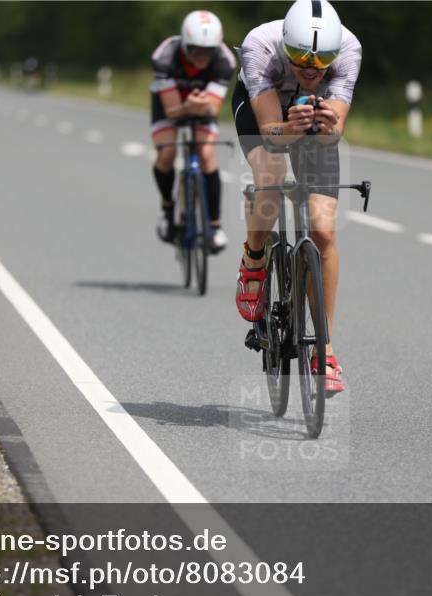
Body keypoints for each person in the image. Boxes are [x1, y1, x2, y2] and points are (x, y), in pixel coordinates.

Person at [233, 0, 362, 395]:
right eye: (301, 57)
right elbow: (271, 131)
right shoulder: (260, 45)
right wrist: (289, 126)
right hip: (265, 112)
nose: (310, 67)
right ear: (286, 44)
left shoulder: (349, 49)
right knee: (270, 180)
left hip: (310, 117)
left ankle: (323, 350)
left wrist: (325, 128)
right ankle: (255, 259)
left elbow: (334, 132)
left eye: (321, 60)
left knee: (323, 231)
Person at [150, 10, 235, 252]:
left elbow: (213, 107)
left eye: (208, 51)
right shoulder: (165, 57)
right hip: (169, 104)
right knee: (166, 153)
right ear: (185, 44)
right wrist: (187, 106)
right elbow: (172, 110)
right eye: (196, 50)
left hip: (201, 107)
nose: (202, 57)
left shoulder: (224, 61)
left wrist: (203, 106)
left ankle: (215, 226)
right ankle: (167, 208)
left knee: (207, 154)